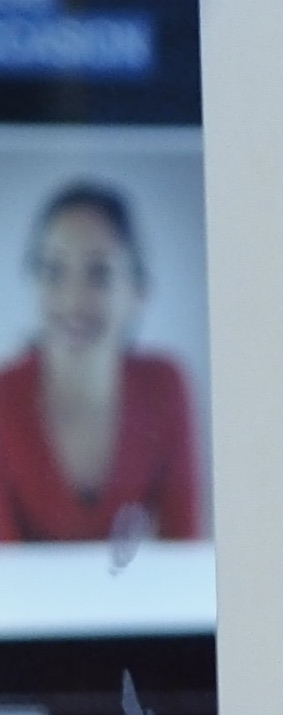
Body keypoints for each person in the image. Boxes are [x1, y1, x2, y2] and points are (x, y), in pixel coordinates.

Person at [0, 178, 204, 544]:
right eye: (53, 270)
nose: (72, 298)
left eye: (99, 273)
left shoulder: (165, 385)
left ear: (138, 291)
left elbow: (183, 550)